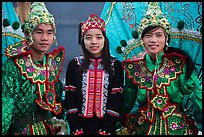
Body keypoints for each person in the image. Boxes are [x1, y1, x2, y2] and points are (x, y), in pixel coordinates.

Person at [121, 2, 202, 135]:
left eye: (159, 35)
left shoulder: (179, 64)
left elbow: (197, 94)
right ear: (142, 39)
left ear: (166, 39)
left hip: (175, 128)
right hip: (143, 128)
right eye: (148, 36)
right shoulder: (134, 67)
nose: (153, 40)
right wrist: (114, 120)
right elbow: (127, 101)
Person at [2, 2, 66, 135]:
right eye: (39, 32)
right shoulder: (12, 68)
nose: (44, 38)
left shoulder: (52, 65)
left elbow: (61, 107)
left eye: (49, 33)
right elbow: (4, 114)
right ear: (27, 33)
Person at [64, 14, 124, 135]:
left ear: (104, 40)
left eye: (98, 37)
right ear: (83, 40)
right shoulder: (75, 64)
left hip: (107, 126)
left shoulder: (115, 65)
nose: (94, 42)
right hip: (80, 126)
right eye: (88, 38)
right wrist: (76, 127)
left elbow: (117, 98)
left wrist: (107, 128)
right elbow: (70, 96)